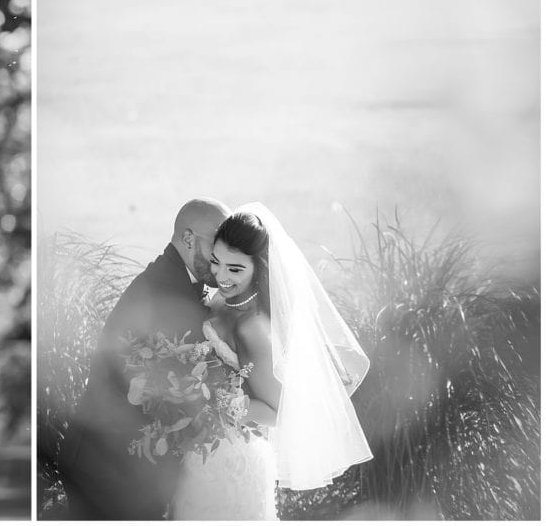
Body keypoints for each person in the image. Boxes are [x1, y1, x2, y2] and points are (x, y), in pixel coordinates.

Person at [171, 204, 373, 520]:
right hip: (205, 455)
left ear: (259, 268)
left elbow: (278, 411)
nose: (221, 276)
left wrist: (213, 402)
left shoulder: (253, 328)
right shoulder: (226, 298)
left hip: (232, 464)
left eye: (235, 269)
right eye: (216, 262)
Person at [59, 198, 231, 520]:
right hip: (106, 469)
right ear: (189, 238)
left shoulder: (177, 281)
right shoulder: (165, 292)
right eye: (216, 246)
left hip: (118, 463)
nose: (223, 259)